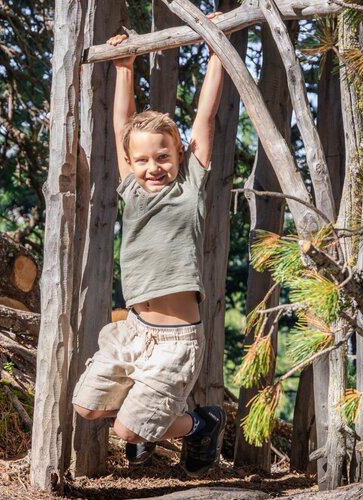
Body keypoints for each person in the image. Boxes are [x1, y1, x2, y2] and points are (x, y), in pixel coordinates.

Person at [72, 19, 227, 477]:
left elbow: (205, 117)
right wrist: (124, 67)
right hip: (133, 331)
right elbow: (123, 124)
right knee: (86, 408)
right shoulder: (132, 191)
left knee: (126, 432)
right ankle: (148, 418)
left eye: (163, 156)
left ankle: (201, 422)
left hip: (176, 341)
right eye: (142, 159)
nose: (152, 166)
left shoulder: (190, 188)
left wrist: (216, 49)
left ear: (180, 154)